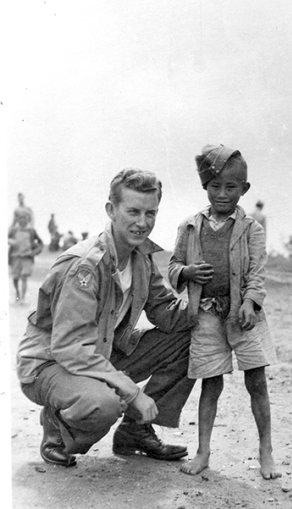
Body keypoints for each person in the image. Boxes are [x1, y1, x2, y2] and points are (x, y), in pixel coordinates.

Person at [17, 168, 195, 468]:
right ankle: (57, 427)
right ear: (111, 210)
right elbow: (69, 347)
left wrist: (205, 304)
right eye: (133, 211)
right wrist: (132, 391)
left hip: (98, 353)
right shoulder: (85, 265)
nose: (142, 223)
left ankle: (135, 432)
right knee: (104, 403)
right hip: (51, 363)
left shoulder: (141, 259)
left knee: (189, 337)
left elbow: (165, 314)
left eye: (151, 213)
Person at [169, 144, 280, 480]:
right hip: (205, 314)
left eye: (231, 187)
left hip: (244, 317)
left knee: (257, 381)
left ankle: (266, 451)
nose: (222, 194)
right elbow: (174, 265)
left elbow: (257, 273)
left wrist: (249, 302)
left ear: (244, 189)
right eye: (215, 186)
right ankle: (203, 451)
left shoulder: (252, 229)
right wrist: (187, 273)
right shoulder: (190, 226)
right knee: (210, 383)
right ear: (205, 187)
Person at [9, 212, 44, 303]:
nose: (22, 220)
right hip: (15, 257)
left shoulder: (31, 230)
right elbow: (6, 238)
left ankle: (23, 299)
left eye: (24, 218)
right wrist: (10, 241)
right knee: (15, 278)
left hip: (27, 258)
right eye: (20, 218)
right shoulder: (13, 230)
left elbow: (40, 243)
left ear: (27, 220)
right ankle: (17, 294)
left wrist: (34, 252)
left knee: (24, 277)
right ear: (18, 220)